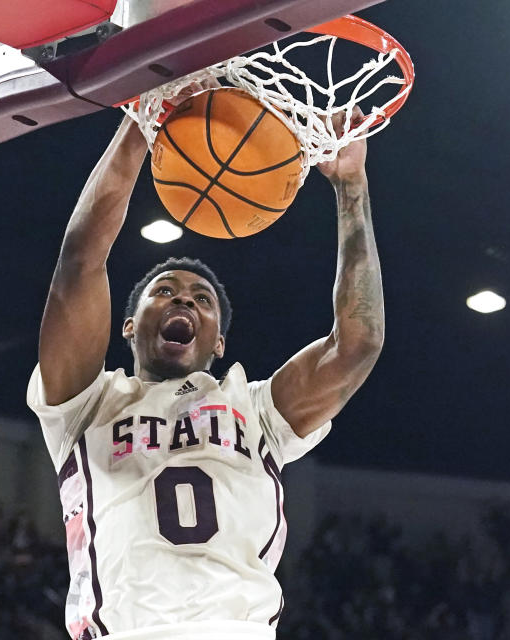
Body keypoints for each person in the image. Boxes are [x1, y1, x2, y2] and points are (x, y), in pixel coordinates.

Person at [27, 94, 384, 640]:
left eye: (202, 299)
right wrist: (141, 120)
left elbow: (356, 345)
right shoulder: (83, 404)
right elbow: (80, 260)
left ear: (219, 342)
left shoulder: (257, 409)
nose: (185, 301)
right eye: (164, 291)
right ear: (129, 326)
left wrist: (351, 186)